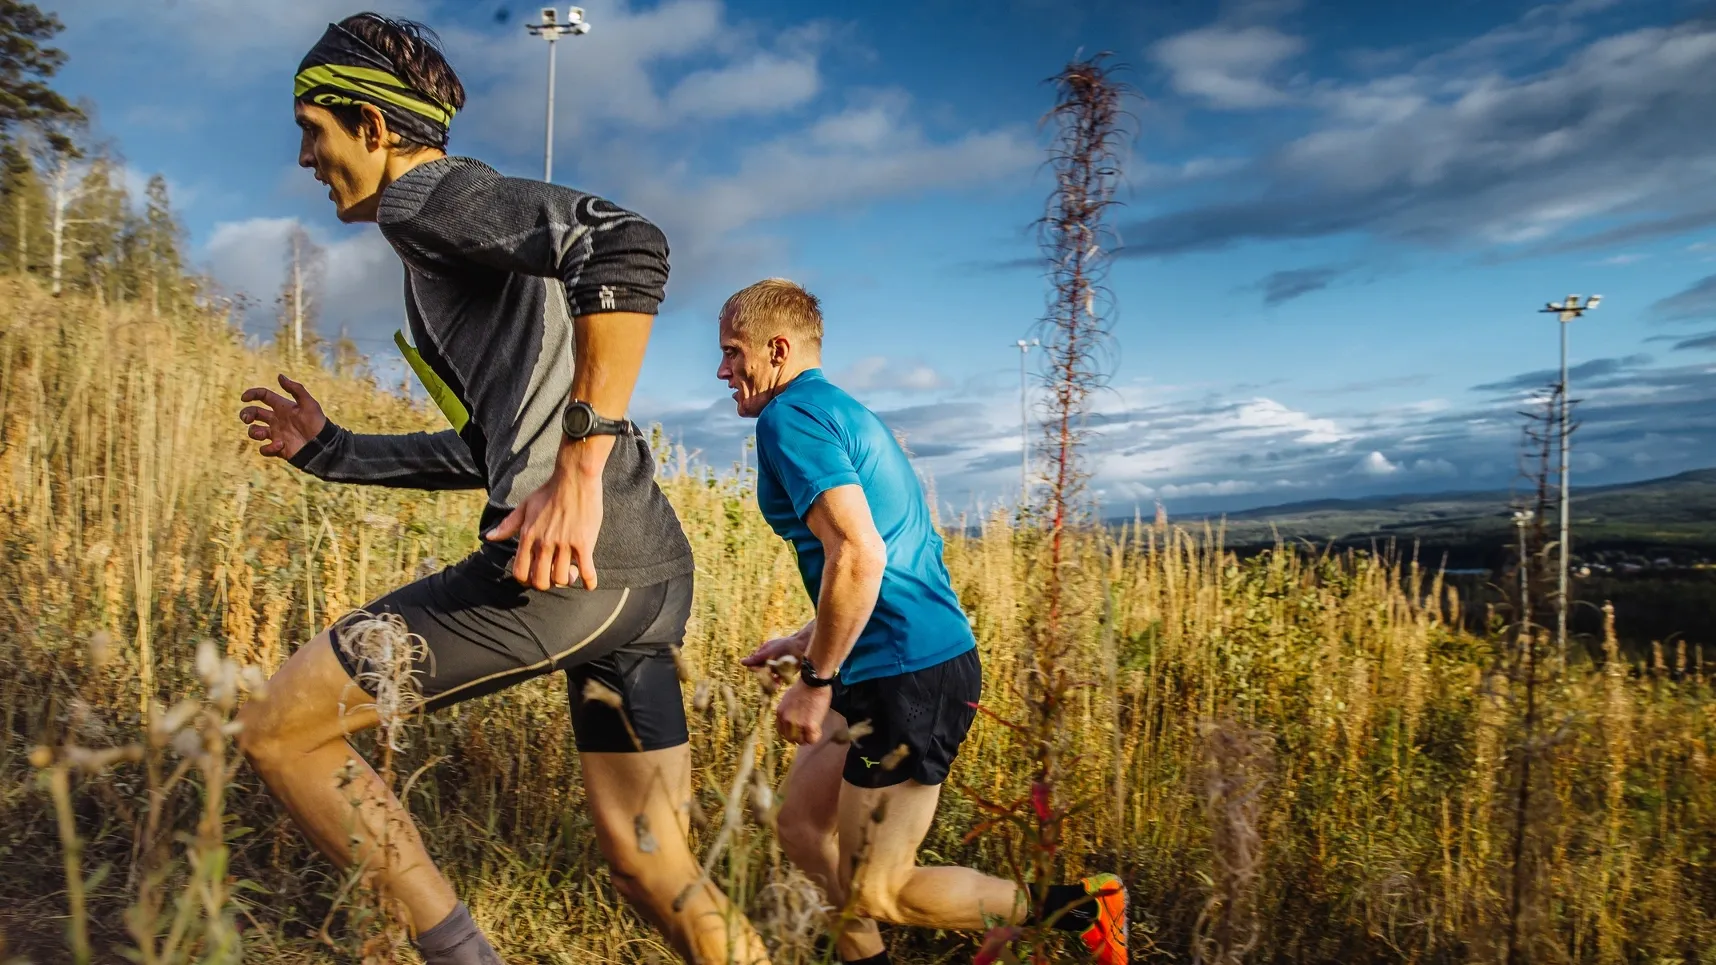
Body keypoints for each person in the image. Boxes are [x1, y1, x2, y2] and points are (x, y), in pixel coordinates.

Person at [234, 14, 769, 965]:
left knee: (282, 728)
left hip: (567, 573)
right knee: (657, 871)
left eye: (316, 131)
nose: (307, 158)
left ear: (373, 123)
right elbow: (492, 444)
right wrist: (334, 450)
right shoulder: (445, 238)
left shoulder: (428, 200)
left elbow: (627, 244)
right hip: (643, 578)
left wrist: (580, 467)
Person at [716, 279, 1128, 965]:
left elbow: (860, 551)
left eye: (733, 353)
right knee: (800, 826)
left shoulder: (787, 420)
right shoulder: (836, 411)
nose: (723, 371)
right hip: (885, 660)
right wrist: (805, 641)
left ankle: (1082, 907)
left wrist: (816, 678)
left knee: (883, 889)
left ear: (778, 349)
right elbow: (884, 551)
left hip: (908, 671)